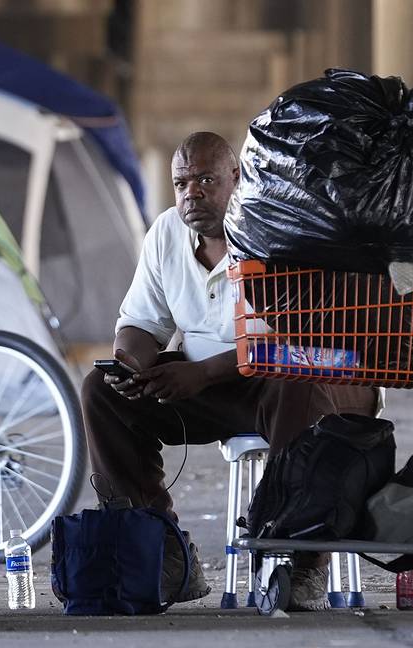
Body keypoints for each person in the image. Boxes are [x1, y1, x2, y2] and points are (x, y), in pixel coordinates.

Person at [82, 132, 380, 610]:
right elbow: (140, 322)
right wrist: (129, 365)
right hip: (224, 387)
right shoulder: (166, 233)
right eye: (181, 183)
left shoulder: (278, 228)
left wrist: (202, 375)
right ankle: (163, 551)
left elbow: (297, 342)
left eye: (206, 180)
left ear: (236, 178)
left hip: (321, 382)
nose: (191, 193)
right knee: (102, 391)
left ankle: (303, 564)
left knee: (292, 383)